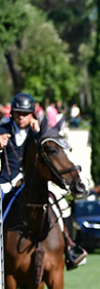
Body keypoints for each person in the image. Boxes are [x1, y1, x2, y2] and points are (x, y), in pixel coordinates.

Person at [0, 93, 87, 270]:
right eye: (17, 113)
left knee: (62, 205)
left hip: (31, 181)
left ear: (32, 114)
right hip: (7, 180)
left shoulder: (39, 132)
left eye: (25, 114)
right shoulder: (2, 130)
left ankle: (70, 247)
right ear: (13, 114)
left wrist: (39, 133)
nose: (21, 117)